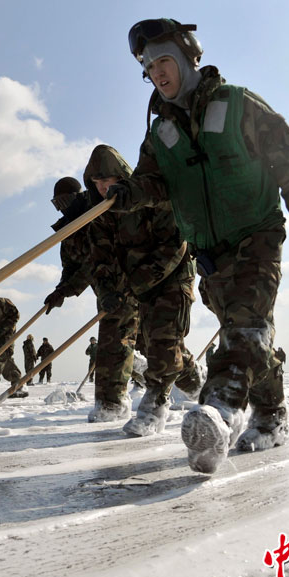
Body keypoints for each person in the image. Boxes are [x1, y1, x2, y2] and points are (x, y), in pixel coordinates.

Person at [111, 18, 289, 473]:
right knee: (250, 333)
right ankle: (271, 415)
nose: (157, 72)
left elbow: (287, 161)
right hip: (210, 253)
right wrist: (129, 193)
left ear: (188, 56)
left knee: (244, 328)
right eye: (148, 68)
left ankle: (219, 413)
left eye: (163, 60)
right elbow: (152, 182)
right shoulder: (161, 134)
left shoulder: (237, 104)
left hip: (257, 233)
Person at [85, 145, 203, 436]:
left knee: (164, 339)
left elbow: (175, 244)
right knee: (150, 345)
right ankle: (196, 382)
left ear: (121, 177)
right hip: (136, 283)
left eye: (107, 181)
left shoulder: (147, 196)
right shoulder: (99, 214)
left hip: (171, 274)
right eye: (97, 183)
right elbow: (100, 259)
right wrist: (106, 290)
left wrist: (137, 283)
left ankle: (154, 407)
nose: (102, 188)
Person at [44, 176, 138, 422]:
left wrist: (68, 289)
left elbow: (91, 263)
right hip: (105, 294)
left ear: (78, 196)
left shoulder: (99, 212)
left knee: (138, 345)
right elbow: (71, 267)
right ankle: (111, 404)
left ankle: (186, 381)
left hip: (125, 287)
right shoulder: (68, 229)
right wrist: (59, 291)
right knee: (115, 345)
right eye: (56, 204)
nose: (61, 208)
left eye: (65, 201)